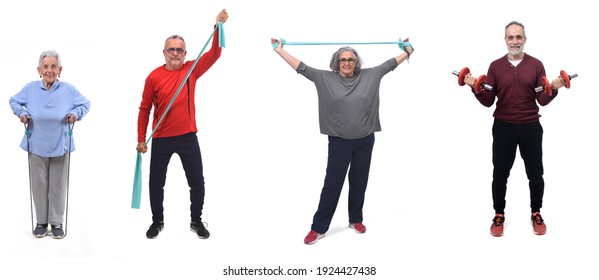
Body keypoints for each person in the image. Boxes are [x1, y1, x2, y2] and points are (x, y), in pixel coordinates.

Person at [271, 38, 413, 245]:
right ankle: (318, 228)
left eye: (351, 59)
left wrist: (408, 51)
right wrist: (279, 50)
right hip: (339, 142)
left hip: (366, 139)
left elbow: (390, 64)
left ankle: (355, 219)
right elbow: (301, 67)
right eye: (342, 60)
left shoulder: (370, 75)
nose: (347, 63)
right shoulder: (324, 78)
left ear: (357, 62)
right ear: (336, 62)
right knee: (332, 184)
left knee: (359, 181)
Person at [463, 21, 566, 237]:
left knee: (536, 173)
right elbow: (488, 100)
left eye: (519, 37)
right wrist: (474, 87)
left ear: (525, 39)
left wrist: (555, 88)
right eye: (511, 37)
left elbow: (542, 99)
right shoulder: (495, 66)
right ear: (505, 40)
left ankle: (536, 213)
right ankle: (499, 214)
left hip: (530, 126)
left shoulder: (536, 65)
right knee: (500, 174)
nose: (515, 41)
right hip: (503, 127)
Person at [137, 9, 228, 239]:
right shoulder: (153, 77)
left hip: (188, 136)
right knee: (156, 183)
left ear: (185, 52)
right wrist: (141, 139)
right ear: (164, 52)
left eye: (179, 49)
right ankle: (157, 221)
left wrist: (217, 27)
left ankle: (196, 220)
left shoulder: (191, 69)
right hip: (160, 139)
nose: (175, 53)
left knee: (197, 181)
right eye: (171, 49)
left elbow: (215, 53)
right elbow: (145, 109)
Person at [9, 50, 91, 239]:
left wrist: (75, 115)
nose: (49, 70)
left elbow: (85, 104)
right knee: (39, 185)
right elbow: (13, 101)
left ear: (60, 69)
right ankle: (41, 222)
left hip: (60, 143)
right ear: (39, 70)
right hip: (36, 143)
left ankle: (56, 223)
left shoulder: (68, 90)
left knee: (58, 186)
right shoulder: (30, 88)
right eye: (45, 67)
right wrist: (22, 114)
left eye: (53, 66)